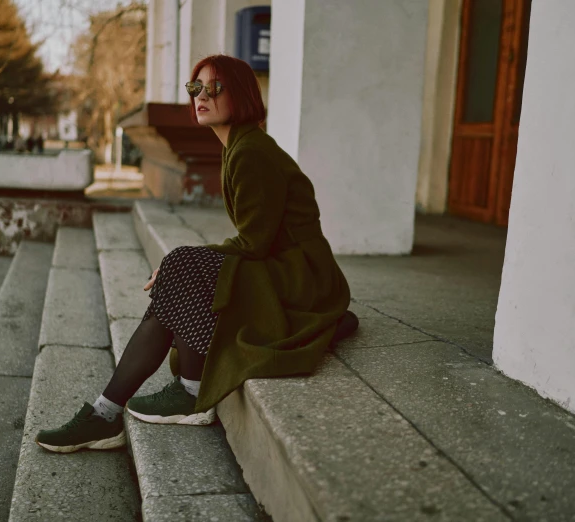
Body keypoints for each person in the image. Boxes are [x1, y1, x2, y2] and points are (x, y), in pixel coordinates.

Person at [34, 54, 359, 453]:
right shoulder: (238, 145)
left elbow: (255, 242)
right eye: (195, 88)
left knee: (186, 264)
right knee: (185, 266)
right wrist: (181, 265)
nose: (201, 96)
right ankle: (111, 411)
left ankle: (154, 402)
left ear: (239, 95)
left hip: (304, 278)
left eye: (214, 88)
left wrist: (179, 263)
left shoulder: (250, 152)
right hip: (287, 268)